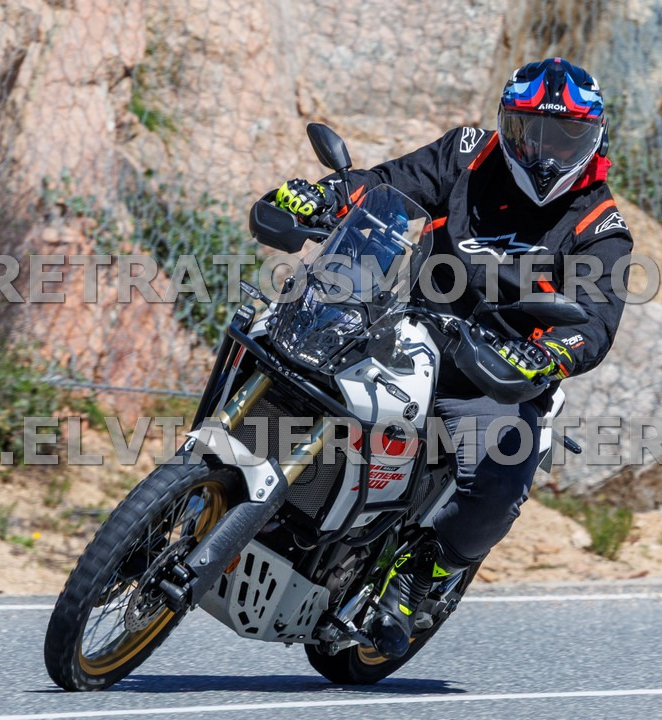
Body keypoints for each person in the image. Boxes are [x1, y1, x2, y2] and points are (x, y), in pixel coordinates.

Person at [269, 58, 633, 658]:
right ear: (506, 125)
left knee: (505, 466)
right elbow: (386, 186)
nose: (544, 153)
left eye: (565, 137)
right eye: (531, 132)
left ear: (594, 139)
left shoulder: (601, 225)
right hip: (403, 328)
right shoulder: (467, 153)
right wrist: (326, 196)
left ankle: (424, 573)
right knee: (290, 356)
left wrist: (546, 355)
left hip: (495, 373)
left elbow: (595, 323)